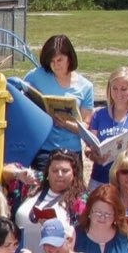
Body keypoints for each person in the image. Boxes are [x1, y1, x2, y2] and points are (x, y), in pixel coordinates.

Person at [23, 35, 96, 168]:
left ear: (69, 58)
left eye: (59, 60)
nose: (55, 65)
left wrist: (66, 124)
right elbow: (21, 93)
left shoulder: (86, 86)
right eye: (52, 61)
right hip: (43, 149)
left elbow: (86, 126)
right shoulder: (36, 76)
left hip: (72, 151)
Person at [13, 150, 84, 253]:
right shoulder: (33, 186)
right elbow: (4, 171)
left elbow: (78, 238)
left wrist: (52, 227)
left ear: (74, 173)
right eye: (55, 171)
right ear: (47, 173)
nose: (59, 174)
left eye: (65, 171)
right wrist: (18, 174)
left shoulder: (81, 201)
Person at [86, 67, 128, 184]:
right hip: (100, 178)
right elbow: (89, 148)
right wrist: (96, 157)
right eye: (115, 88)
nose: (118, 93)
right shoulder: (99, 114)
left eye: (123, 89)